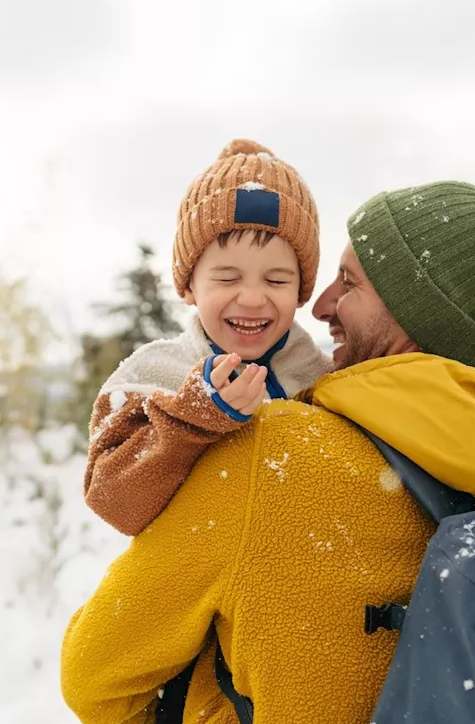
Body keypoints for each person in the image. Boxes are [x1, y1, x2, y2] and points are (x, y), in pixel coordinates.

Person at [60, 180, 475, 724]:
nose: (321, 306)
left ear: (411, 309)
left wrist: (188, 709)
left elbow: (96, 678)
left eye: (350, 282)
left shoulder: (274, 455)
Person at [84, 137, 331, 539]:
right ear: (189, 287)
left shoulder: (325, 382)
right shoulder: (151, 375)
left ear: (301, 290)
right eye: (227, 278)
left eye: (277, 279)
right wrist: (194, 417)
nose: (252, 298)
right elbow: (113, 502)